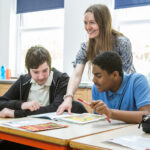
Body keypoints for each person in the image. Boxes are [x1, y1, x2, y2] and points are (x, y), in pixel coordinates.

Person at [57, 4, 135, 115]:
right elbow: (76, 74)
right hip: (105, 92)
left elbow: (125, 74)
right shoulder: (86, 47)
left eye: (92, 22)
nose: (88, 27)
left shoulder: (122, 42)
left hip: (126, 93)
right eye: (85, 23)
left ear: (103, 23)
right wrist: (68, 98)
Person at [0, 46, 87, 118]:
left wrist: (15, 113)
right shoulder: (23, 81)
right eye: (36, 72)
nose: (41, 76)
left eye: (45, 71)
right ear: (29, 71)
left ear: (50, 67)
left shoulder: (61, 79)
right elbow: (1, 102)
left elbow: (55, 110)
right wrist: (22, 105)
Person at [91, 51, 150, 123]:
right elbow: (100, 121)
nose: (93, 80)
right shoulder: (96, 88)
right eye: (93, 75)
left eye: (98, 76)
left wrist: (110, 113)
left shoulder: (137, 81)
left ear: (115, 75)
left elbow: (147, 116)